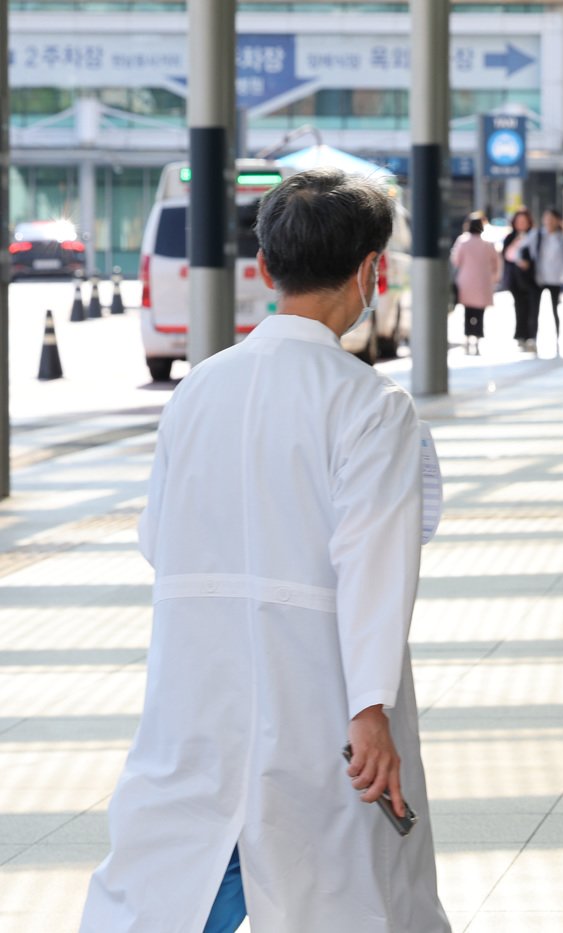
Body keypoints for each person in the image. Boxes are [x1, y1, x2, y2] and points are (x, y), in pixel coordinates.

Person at [79, 168, 449, 932]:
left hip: (198, 693)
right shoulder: (370, 404)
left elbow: (158, 538)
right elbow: (374, 562)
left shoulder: (198, 389)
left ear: (267, 268)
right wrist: (370, 708)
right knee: (341, 895)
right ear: (371, 269)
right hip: (322, 702)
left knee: (180, 882)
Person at [450, 211, 501, 356]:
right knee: (479, 313)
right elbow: (496, 263)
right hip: (483, 282)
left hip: (465, 281)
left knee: (467, 312)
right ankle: (477, 339)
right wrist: (494, 277)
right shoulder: (488, 244)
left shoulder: (463, 241)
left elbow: (455, 261)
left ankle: (467, 339)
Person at [526, 207, 563, 350]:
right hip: (538, 277)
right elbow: (523, 249)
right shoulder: (537, 235)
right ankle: (533, 338)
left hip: (555, 278)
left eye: (552, 218)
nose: (549, 221)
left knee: (555, 310)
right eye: (547, 218)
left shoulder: (561, 238)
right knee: (535, 310)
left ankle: (557, 337)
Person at [502, 208, 540, 353]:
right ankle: (521, 335)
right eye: (519, 221)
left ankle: (532, 336)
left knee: (533, 309)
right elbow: (506, 255)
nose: (521, 224)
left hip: (532, 279)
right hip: (515, 280)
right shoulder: (510, 238)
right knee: (519, 307)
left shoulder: (535, 236)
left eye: (524, 221)